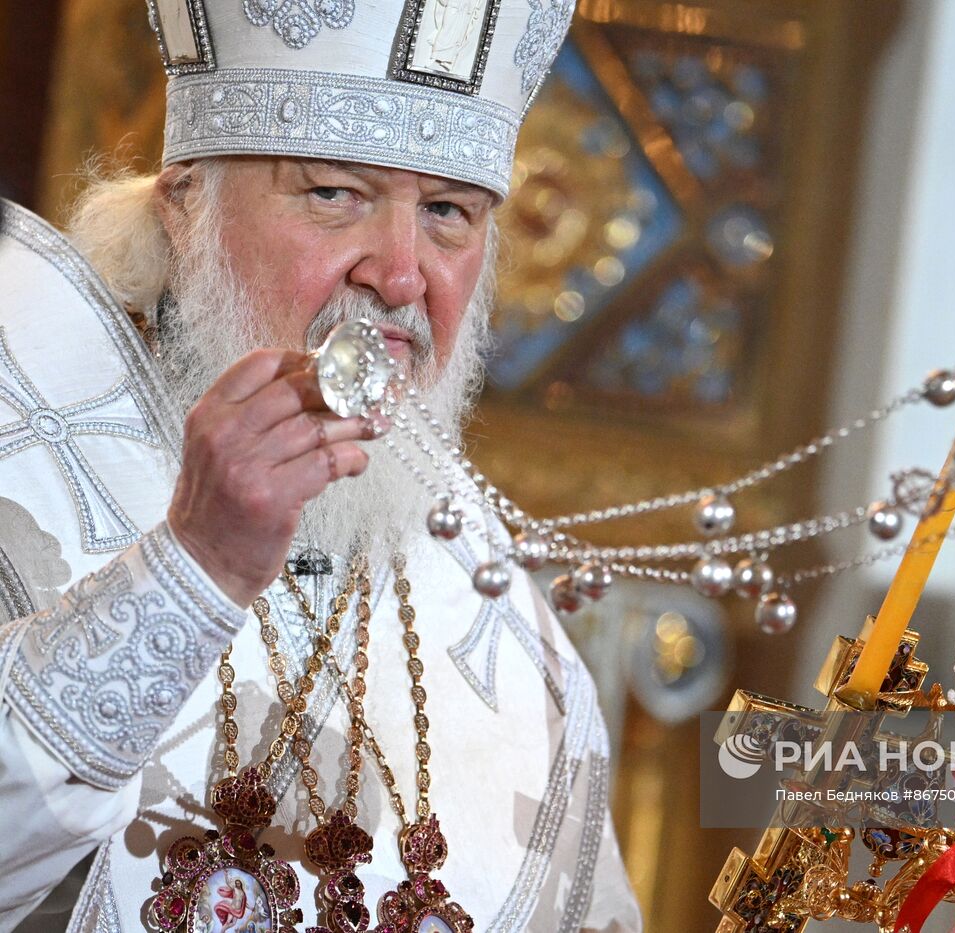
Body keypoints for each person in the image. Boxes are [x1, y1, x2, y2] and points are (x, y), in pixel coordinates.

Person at [0, 1, 641, 931]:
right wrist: (197, 564)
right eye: (335, 194)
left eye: (448, 214)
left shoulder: (503, 621)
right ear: (185, 207)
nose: (403, 274)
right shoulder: (26, 422)